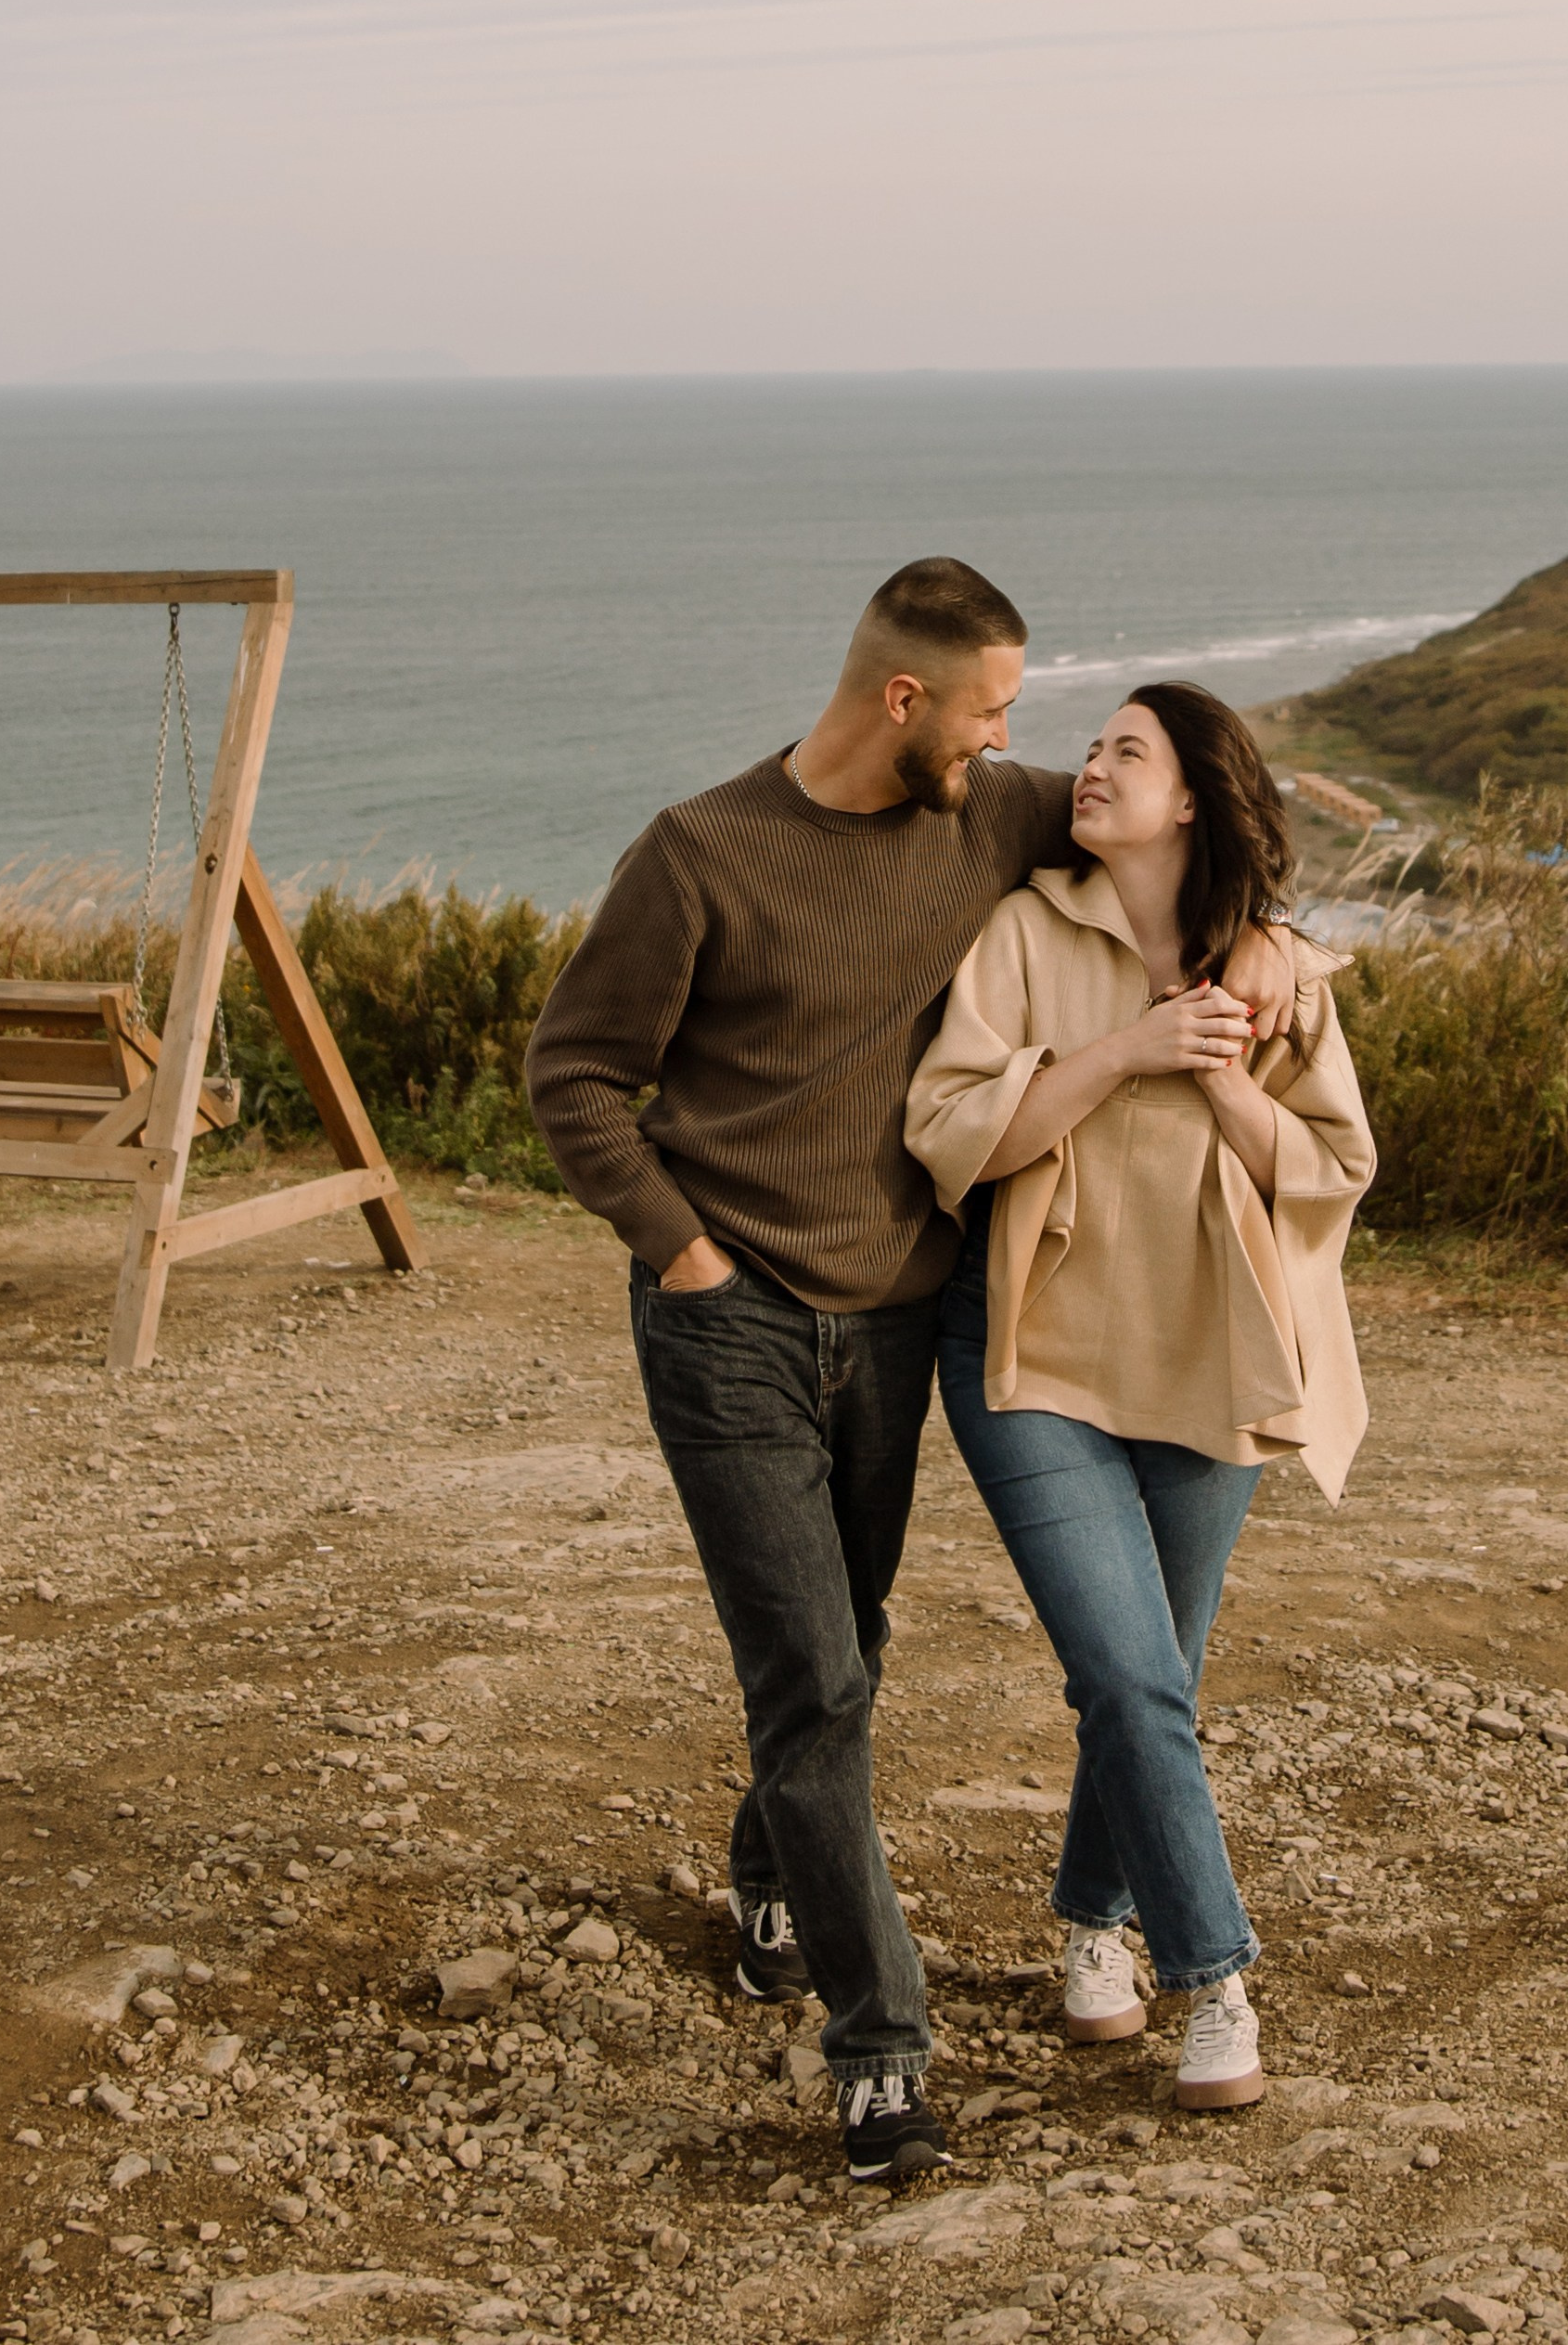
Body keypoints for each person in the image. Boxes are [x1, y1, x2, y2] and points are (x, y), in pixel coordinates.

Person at [523, 563, 1297, 2183]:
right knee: (814, 1675)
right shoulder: (698, 854)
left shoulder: (989, 812)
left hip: (893, 1323)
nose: (1014, 742)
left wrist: (1272, 944)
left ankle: (766, 1880)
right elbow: (575, 1075)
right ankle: (879, 2056)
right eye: (991, 710)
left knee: (847, 1644)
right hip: (727, 1320)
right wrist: (683, 1253)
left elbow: (1177, 838)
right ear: (904, 701)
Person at [906, 682, 1373, 2111]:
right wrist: (1121, 1053)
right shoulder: (1026, 931)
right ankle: (1213, 1979)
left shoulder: (1272, 972)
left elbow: (1333, 1167)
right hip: (1029, 1355)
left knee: (1151, 1680)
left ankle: (1092, 1925)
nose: (1090, 768)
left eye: (1127, 751)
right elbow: (951, 1134)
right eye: (1092, 746)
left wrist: (1223, 1077)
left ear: (1190, 800)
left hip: (1209, 1353)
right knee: (1122, 1672)